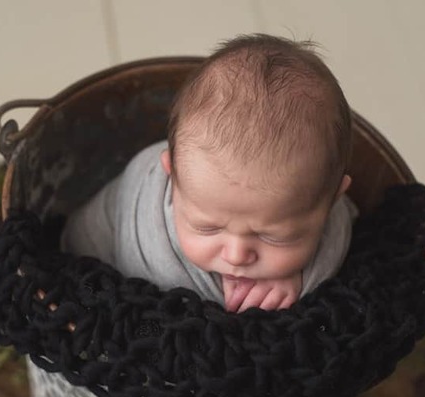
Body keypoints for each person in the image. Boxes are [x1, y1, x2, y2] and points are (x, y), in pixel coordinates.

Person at [61, 33, 357, 313]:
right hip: (91, 262)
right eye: (208, 228)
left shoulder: (321, 205)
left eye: (274, 237)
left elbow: (340, 229)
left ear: (332, 199)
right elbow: (164, 316)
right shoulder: (155, 232)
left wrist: (302, 279)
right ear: (172, 176)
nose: (236, 255)